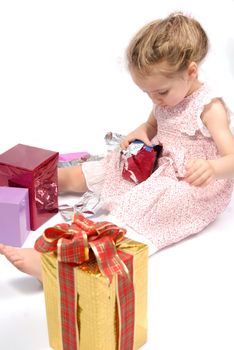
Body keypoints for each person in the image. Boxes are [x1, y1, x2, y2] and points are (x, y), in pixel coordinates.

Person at [1, 12, 234, 282]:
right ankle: (47, 182)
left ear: (191, 72)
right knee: (110, 167)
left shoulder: (209, 108)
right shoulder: (165, 97)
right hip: (159, 163)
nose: (155, 99)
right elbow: (152, 125)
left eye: (160, 92)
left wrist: (213, 168)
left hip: (190, 181)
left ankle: (57, 261)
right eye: (147, 93)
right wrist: (140, 132)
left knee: (150, 206)